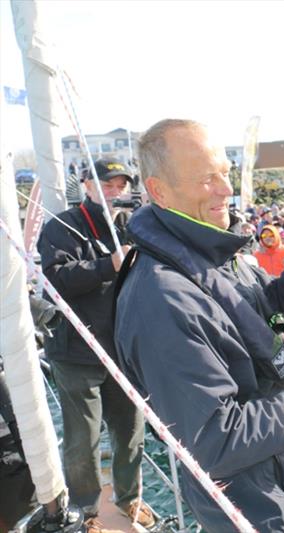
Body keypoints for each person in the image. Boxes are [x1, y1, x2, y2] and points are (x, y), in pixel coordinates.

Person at [114, 119, 284, 532]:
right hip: (254, 513)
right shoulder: (159, 299)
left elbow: (271, 310)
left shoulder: (211, 255)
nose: (225, 189)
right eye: (206, 179)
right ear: (159, 191)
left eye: (225, 173)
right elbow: (218, 438)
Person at [37, 157, 154, 529]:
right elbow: (56, 278)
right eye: (108, 183)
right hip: (76, 352)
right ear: (86, 184)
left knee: (132, 434)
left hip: (123, 353)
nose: (115, 191)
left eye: (121, 185)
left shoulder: (134, 226)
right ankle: (88, 510)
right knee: (82, 442)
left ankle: (130, 500)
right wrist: (110, 265)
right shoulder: (63, 226)